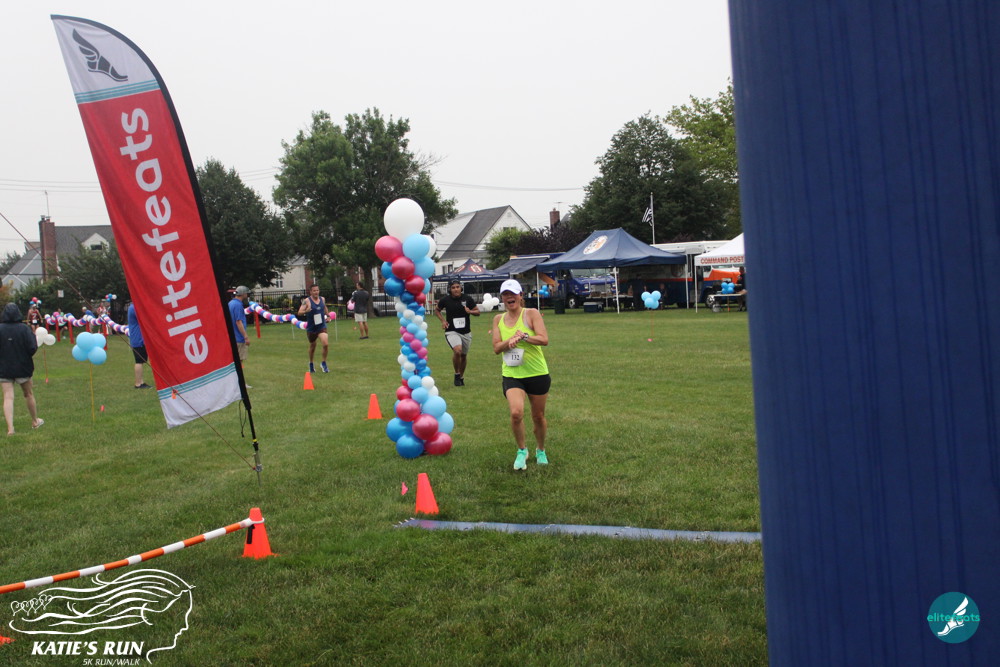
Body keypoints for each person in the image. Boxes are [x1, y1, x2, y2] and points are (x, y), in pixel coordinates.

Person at [491, 279, 550, 470]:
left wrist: (524, 337)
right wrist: (510, 341)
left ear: (520, 296)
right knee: (516, 413)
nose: (509, 297)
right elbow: (496, 348)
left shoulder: (531, 314)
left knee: (538, 416)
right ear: (502, 298)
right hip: (512, 373)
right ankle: (522, 450)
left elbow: (544, 339)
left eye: (513, 294)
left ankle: (540, 449)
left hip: (536, 372)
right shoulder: (498, 319)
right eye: (505, 294)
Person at [0, 303, 43, 435]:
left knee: (8, 397)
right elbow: (32, 347)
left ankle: (10, 428)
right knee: (28, 394)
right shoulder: (24, 329)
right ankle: (35, 421)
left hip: (4, 368)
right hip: (23, 366)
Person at [436, 279, 480, 386]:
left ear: (461, 288)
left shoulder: (467, 299)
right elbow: (437, 310)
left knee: (463, 356)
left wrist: (470, 311)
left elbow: (478, 312)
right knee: (457, 351)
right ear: (450, 289)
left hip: (466, 332)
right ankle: (456, 374)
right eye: (453, 288)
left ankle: (461, 377)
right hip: (451, 331)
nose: (456, 289)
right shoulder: (445, 300)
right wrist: (443, 321)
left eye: (457, 287)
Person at [297, 283, 330, 373]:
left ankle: (323, 363)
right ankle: (311, 363)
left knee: (325, 344)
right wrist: (306, 310)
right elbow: (299, 312)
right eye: (314, 291)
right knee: (313, 346)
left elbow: (324, 307)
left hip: (321, 326)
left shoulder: (322, 299)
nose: (316, 292)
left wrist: (328, 315)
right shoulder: (306, 301)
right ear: (310, 292)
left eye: (317, 290)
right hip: (312, 327)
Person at [228, 286, 251, 384]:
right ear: (243, 294)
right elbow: (238, 322)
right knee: (239, 361)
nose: (247, 295)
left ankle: (235, 381)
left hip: (232, 336)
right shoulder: (238, 305)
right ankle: (240, 383)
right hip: (238, 338)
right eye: (246, 293)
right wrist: (245, 337)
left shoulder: (230, 303)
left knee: (234, 361)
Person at [127, 302, 151, 389]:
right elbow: (145, 317)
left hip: (138, 339)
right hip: (138, 339)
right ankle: (138, 384)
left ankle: (141, 382)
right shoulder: (134, 308)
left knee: (140, 361)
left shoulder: (132, 307)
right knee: (139, 361)